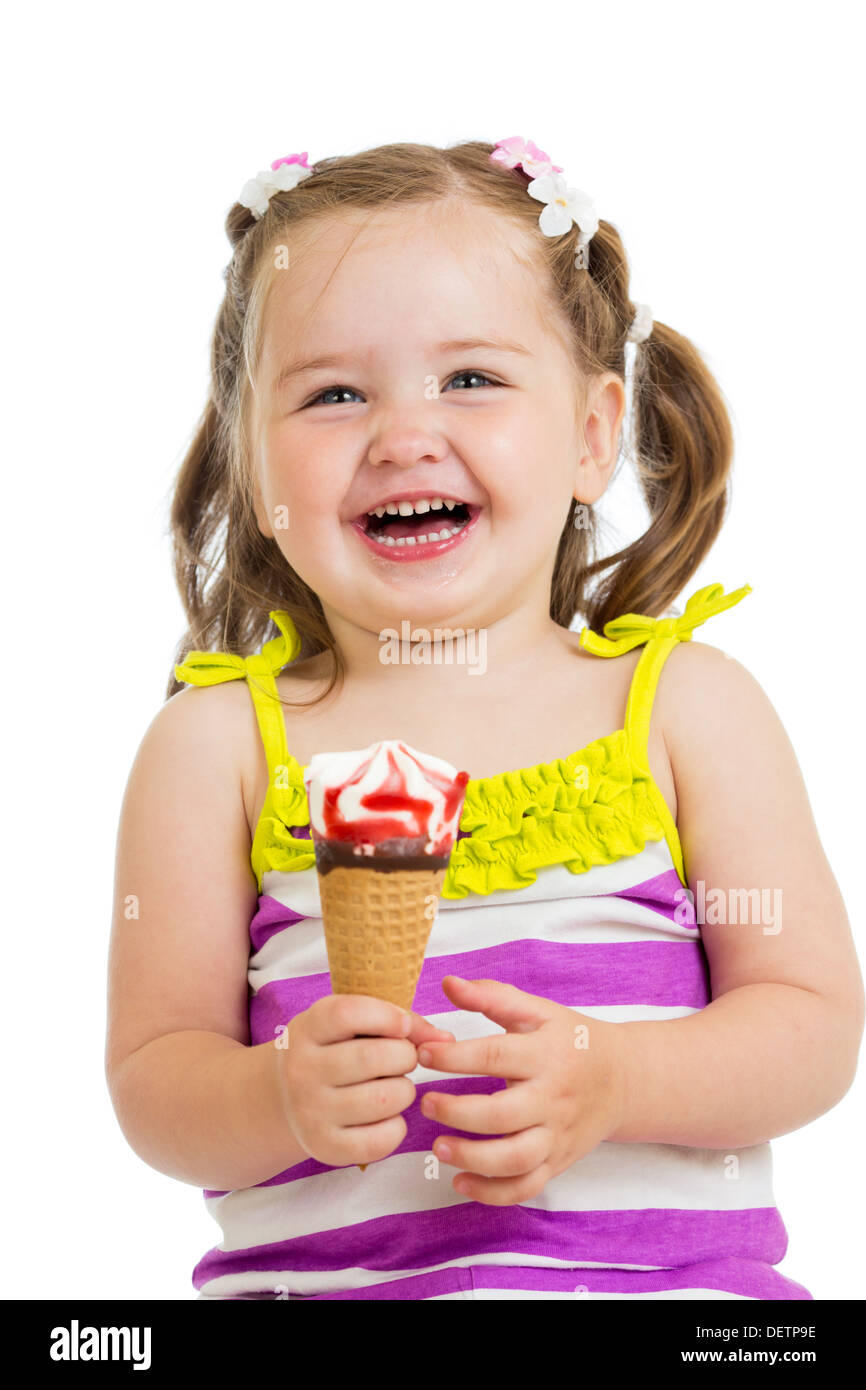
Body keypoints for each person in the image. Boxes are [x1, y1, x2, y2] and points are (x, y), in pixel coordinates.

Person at [105, 136, 863, 1300]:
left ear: (591, 433)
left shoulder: (686, 710)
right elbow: (157, 1080)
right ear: (255, 465)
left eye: (469, 378)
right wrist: (270, 1098)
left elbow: (809, 1029)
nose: (403, 433)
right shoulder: (214, 750)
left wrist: (614, 1076)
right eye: (332, 393)